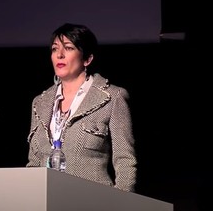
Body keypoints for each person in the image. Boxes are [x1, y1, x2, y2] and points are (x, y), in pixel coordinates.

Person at [26, 23, 137, 192]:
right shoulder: (39, 103)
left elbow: (125, 160)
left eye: (68, 48)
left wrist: (121, 204)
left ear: (87, 59)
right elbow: (34, 162)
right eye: (55, 49)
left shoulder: (112, 97)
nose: (59, 55)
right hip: (47, 199)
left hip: (94, 200)